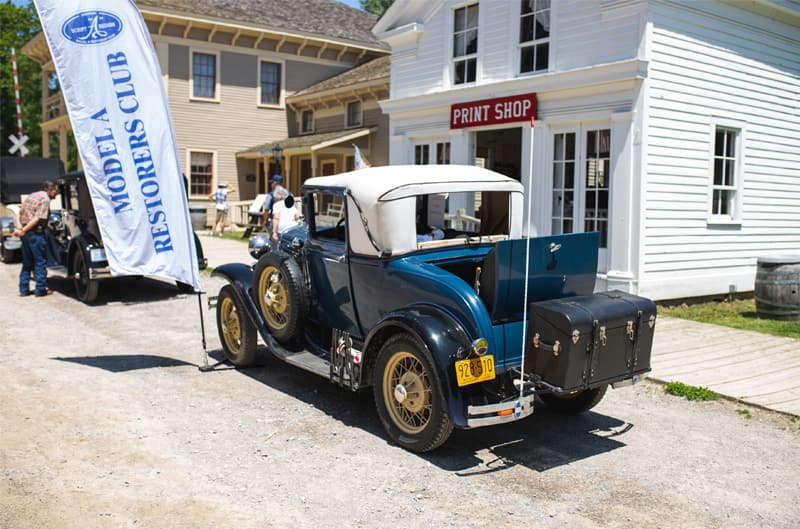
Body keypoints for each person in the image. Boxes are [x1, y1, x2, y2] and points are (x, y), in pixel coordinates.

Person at [13, 181, 59, 297]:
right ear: (49, 190)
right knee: (40, 262)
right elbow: (37, 219)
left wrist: (21, 229)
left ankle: (23, 289)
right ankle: (40, 289)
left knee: (27, 262)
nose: (56, 193)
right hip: (35, 234)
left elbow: (19, 214)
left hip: (25, 234)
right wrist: (24, 230)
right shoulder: (45, 199)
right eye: (55, 190)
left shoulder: (32, 195)